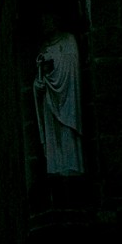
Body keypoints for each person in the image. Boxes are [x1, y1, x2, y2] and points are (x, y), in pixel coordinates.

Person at [34, 28, 84, 174]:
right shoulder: (43, 47)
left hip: (66, 99)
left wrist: (52, 57)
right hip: (49, 101)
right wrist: (38, 84)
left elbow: (72, 63)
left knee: (67, 137)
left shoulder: (68, 40)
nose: (45, 22)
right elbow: (39, 79)